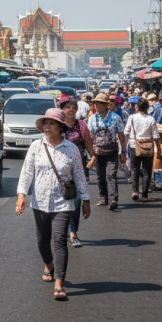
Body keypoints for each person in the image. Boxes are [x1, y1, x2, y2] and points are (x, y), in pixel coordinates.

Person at [16, 107, 91, 301]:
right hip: (40, 201)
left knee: (59, 241)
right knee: (42, 240)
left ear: (60, 127)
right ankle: (48, 264)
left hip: (63, 202)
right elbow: (27, 172)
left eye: (52, 124)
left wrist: (85, 200)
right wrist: (22, 195)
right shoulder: (36, 147)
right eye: (45, 124)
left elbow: (79, 176)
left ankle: (59, 282)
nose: (47, 127)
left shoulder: (72, 149)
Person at [57, 96, 93, 247]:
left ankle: (73, 233)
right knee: (61, 200)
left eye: (73, 107)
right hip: (59, 168)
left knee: (76, 201)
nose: (71, 110)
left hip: (78, 168)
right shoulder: (58, 125)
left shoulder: (82, 125)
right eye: (68, 107)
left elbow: (87, 143)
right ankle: (61, 232)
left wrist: (93, 158)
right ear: (62, 109)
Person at [85, 93, 126, 211]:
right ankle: (103, 197)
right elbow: (90, 136)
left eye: (99, 103)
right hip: (97, 152)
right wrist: (91, 154)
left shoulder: (115, 118)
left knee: (111, 174)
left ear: (106, 105)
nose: (96, 105)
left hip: (112, 151)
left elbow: (121, 135)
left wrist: (123, 152)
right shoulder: (92, 119)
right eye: (95, 103)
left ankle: (114, 199)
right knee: (100, 176)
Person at [124, 99, 161, 202]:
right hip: (148, 147)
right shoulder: (151, 119)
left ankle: (135, 191)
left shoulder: (131, 118)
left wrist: (123, 145)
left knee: (135, 169)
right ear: (147, 108)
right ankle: (144, 195)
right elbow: (156, 136)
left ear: (137, 107)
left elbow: (126, 132)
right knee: (147, 171)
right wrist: (158, 149)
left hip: (134, 145)